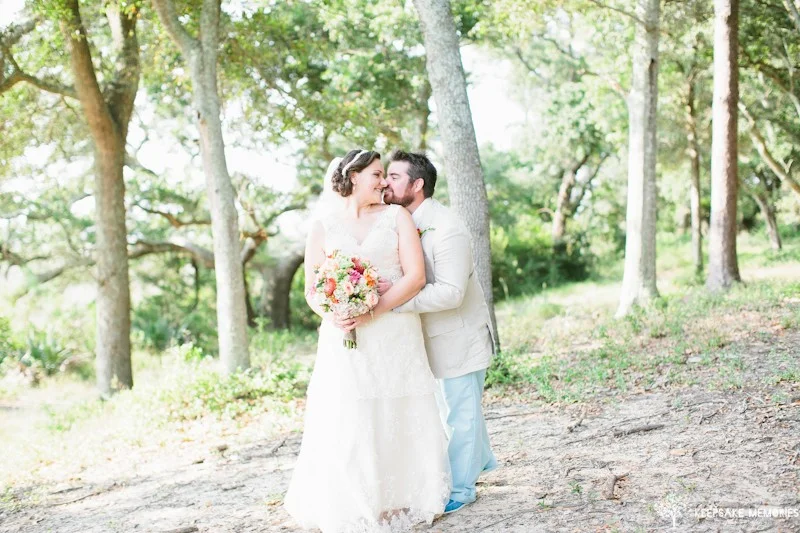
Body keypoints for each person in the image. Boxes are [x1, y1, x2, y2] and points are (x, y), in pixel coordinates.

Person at [284, 149, 450, 533]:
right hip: (344, 337)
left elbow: (415, 277)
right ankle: (359, 500)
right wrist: (333, 314)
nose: (384, 181)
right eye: (377, 174)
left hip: (394, 333)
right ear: (354, 176)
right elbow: (312, 289)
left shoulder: (397, 217)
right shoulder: (323, 226)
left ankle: (403, 497)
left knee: (396, 406)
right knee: (351, 414)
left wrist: (373, 311)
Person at [383, 150, 497, 514]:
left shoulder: (447, 228)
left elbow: (451, 292)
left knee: (461, 415)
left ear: (417, 185)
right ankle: (481, 461)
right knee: (457, 410)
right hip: (428, 340)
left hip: (459, 338)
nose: (386, 182)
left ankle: (462, 490)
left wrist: (396, 301)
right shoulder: (401, 221)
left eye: (394, 177)